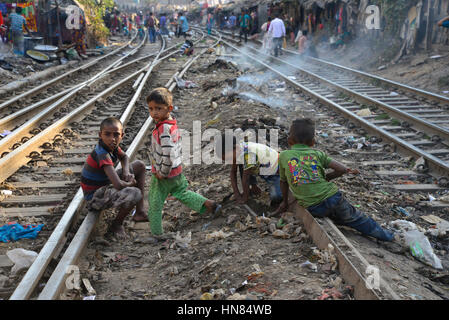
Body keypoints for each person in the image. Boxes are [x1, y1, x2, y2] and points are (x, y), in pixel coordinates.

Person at [275, 118, 395, 242]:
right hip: (333, 198)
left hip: (315, 208)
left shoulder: (284, 156)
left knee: (340, 217)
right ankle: (388, 237)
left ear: (289, 140)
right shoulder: (318, 154)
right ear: (312, 142)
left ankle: (341, 218)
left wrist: (284, 202)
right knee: (357, 219)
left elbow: (283, 182)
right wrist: (326, 178)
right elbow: (342, 169)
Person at [146, 88, 221, 236]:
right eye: (151, 109)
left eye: (159, 109)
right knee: (182, 192)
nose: (154, 113)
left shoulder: (163, 130)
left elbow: (167, 154)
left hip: (165, 173)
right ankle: (209, 204)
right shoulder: (171, 123)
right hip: (176, 170)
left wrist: (162, 173)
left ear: (169, 109)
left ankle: (157, 234)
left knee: (155, 203)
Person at [80, 117, 148, 239]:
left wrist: (126, 172)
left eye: (116, 135)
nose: (112, 138)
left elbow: (125, 157)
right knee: (135, 193)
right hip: (95, 196)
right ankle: (116, 224)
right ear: (100, 135)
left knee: (140, 166)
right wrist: (130, 183)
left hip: (105, 184)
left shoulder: (112, 146)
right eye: (107, 134)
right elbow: (118, 185)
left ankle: (140, 211)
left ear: (122, 135)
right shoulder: (102, 154)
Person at [217, 134, 282, 207]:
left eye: (229, 159)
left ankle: (281, 184)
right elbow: (233, 172)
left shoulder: (248, 153)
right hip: (263, 169)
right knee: (243, 167)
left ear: (236, 148)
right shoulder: (239, 150)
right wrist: (237, 194)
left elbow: (246, 179)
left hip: (275, 171)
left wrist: (245, 198)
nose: (229, 161)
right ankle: (254, 187)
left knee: (276, 197)